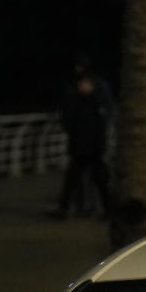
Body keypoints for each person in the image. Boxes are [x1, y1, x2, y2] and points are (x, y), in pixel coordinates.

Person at [55, 54, 114, 218]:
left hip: (90, 140)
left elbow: (107, 111)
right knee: (79, 177)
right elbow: (67, 114)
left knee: (94, 177)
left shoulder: (95, 88)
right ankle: (70, 207)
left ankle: (101, 209)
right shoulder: (76, 89)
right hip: (84, 140)